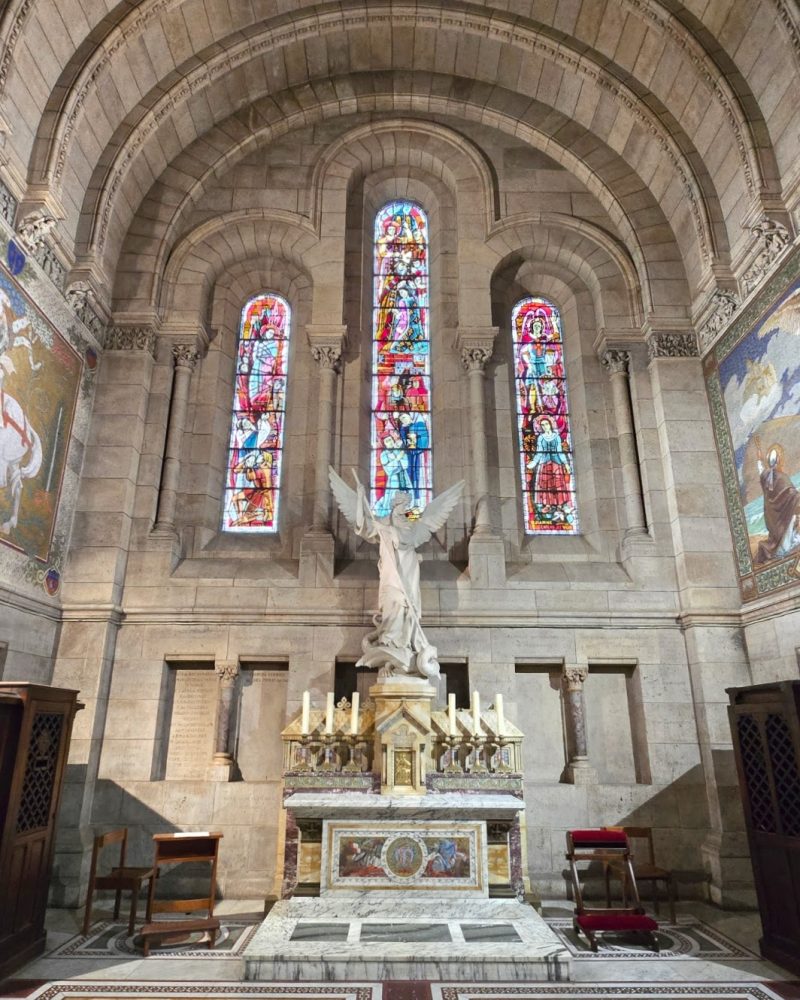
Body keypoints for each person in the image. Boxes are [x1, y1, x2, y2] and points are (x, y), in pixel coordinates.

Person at [754, 439, 800, 564]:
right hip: (784, 521)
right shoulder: (782, 477)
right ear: (779, 460)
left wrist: (759, 455)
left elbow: (760, 469)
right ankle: (787, 546)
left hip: (773, 520)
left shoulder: (766, 475)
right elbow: (793, 496)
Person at [527, 418, 572, 514]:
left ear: (550, 424)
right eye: (542, 425)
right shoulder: (541, 438)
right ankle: (547, 505)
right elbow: (539, 452)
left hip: (556, 463)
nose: (545, 426)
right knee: (545, 485)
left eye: (546, 424)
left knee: (558, 483)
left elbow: (560, 452)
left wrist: (566, 464)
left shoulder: (556, 437)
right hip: (544, 463)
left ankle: (560, 505)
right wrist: (534, 462)